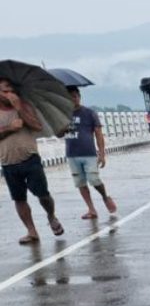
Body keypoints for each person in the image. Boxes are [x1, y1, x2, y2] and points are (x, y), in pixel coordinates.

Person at [0, 77, 64, 245]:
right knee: (19, 199)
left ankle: (51, 215)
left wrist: (19, 108)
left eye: (10, 90)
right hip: (8, 163)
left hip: (30, 159)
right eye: (3, 91)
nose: (7, 94)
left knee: (43, 194)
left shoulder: (25, 106)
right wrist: (9, 129)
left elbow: (37, 126)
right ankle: (31, 231)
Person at [64, 86, 117, 220]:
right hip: (72, 154)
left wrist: (102, 154)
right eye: (69, 97)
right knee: (80, 183)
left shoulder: (89, 113)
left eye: (75, 96)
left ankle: (105, 197)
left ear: (79, 97)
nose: (73, 99)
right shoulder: (63, 115)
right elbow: (58, 133)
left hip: (89, 153)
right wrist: (63, 126)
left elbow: (98, 134)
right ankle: (91, 209)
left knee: (94, 179)